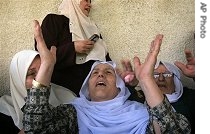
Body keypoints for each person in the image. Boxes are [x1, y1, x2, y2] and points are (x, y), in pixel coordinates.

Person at [22, 20, 191, 133]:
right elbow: (36, 128)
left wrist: (147, 79)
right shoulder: (74, 112)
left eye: (108, 72)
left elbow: (175, 130)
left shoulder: (142, 113)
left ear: (120, 87)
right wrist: (46, 67)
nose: (100, 74)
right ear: (87, 87)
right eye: (94, 73)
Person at [34, 0, 111, 96]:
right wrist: (72, 48)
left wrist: (118, 74)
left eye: (90, 1)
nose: (89, 4)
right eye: (85, 0)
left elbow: (105, 60)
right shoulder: (54, 20)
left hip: (92, 96)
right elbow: (42, 57)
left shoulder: (92, 28)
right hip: (61, 93)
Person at [0, 45, 76, 133]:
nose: (39, 78)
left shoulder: (67, 98)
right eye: (31, 73)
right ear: (17, 79)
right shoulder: (4, 110)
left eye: (43, 71)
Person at [119, 50, 195, 133]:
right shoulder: (140, 97)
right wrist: (129, 86)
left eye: (167, 74)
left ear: (175, 79)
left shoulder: (190, 97)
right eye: (155, 74)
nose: (161, 79)